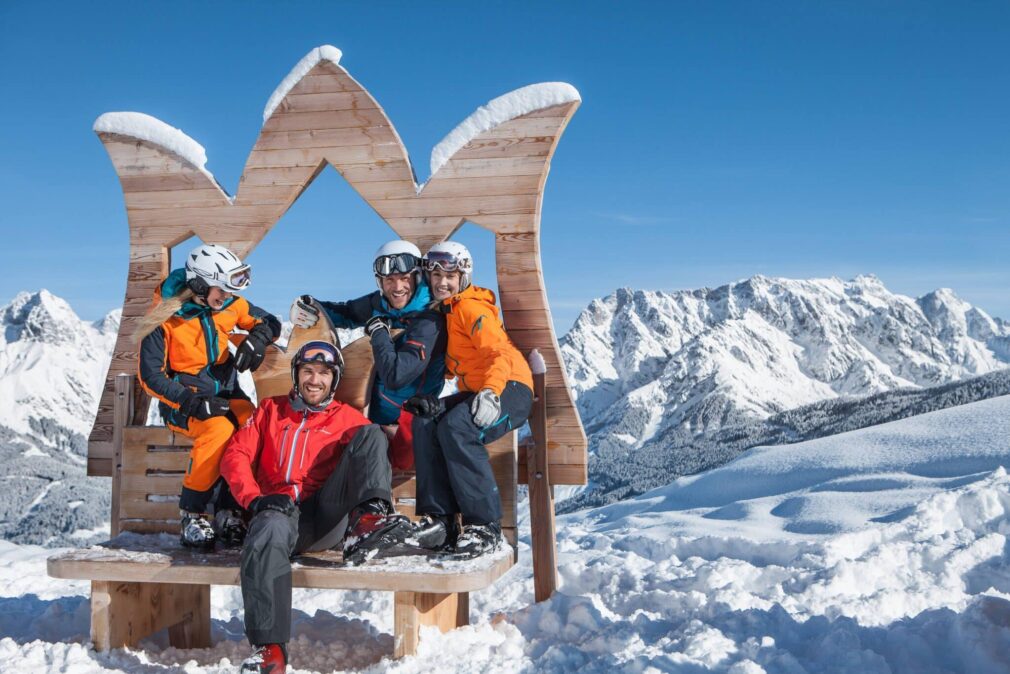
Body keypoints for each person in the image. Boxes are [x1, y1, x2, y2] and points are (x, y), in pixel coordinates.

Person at [221, 340, 412, 674]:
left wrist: (411, 422)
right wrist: (255, 498)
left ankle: (368, 521)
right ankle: (270, 651)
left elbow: (394, 456)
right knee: (268, 526)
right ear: (296, 375)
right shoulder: (270, 410)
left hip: (324, 516)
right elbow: (236, 455)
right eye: (308, 371)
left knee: (372, 436)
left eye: (324, 373)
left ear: (334, 380)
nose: (315, 380)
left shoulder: (346, 419)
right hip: (277, 514)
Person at [136, 243, 281, 549]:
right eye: (222, 291)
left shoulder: (229, 305)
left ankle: (230, 510)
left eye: (230, 291)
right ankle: (193, 513)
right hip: (183, 403)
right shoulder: (164, 320)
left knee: (252, 425)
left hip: (227, 393)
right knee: (219, 429)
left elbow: (271, 322)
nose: (228, 297)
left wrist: (257, 339)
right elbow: (150, 378)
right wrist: (190, 402)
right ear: (200, 285)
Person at [406, 241, 534, 558]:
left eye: (450, 275)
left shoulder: (470, 309)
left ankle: (484, 527)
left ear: (464, 275)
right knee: (425, 422)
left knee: (456, 428)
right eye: (435, 276)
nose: (442, 282)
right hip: (481, 390)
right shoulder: (447, 312)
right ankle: (443, 521)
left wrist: (491, 392)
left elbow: (499, 353)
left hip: (511, 389)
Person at [289, 239, 447, 445]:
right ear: (380, 282)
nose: (397, 287)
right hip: (369, 413)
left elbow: (396, 376)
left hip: (408, 422)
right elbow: (345, 311)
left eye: (404, 278)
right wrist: (310, 307)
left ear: (417, 277)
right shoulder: (380, 303)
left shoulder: (429, 320)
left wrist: (379, 332)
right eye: (389, 279)